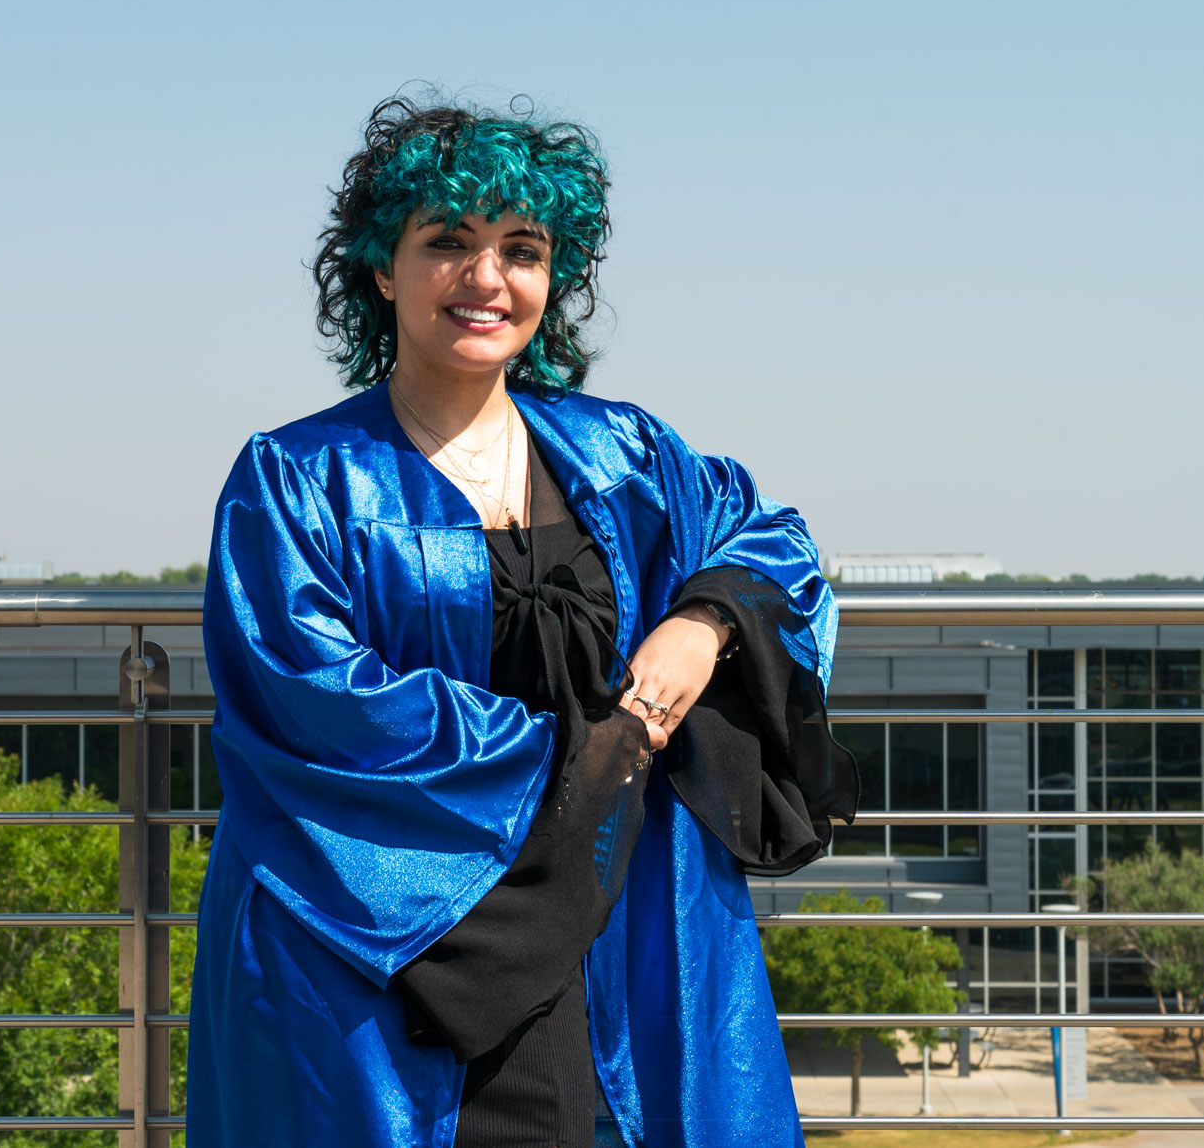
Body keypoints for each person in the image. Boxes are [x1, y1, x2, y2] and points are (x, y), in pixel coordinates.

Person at [188, 97, 858, 1148]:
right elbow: (312, 697)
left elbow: (772, 545)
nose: (487, 278)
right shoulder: (298, 477)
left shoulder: (624, 454)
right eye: (447, 243)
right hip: (384, 945)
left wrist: (706, 620)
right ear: (380, 268)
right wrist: (593, 746)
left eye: (522, 248)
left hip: (608, 923)